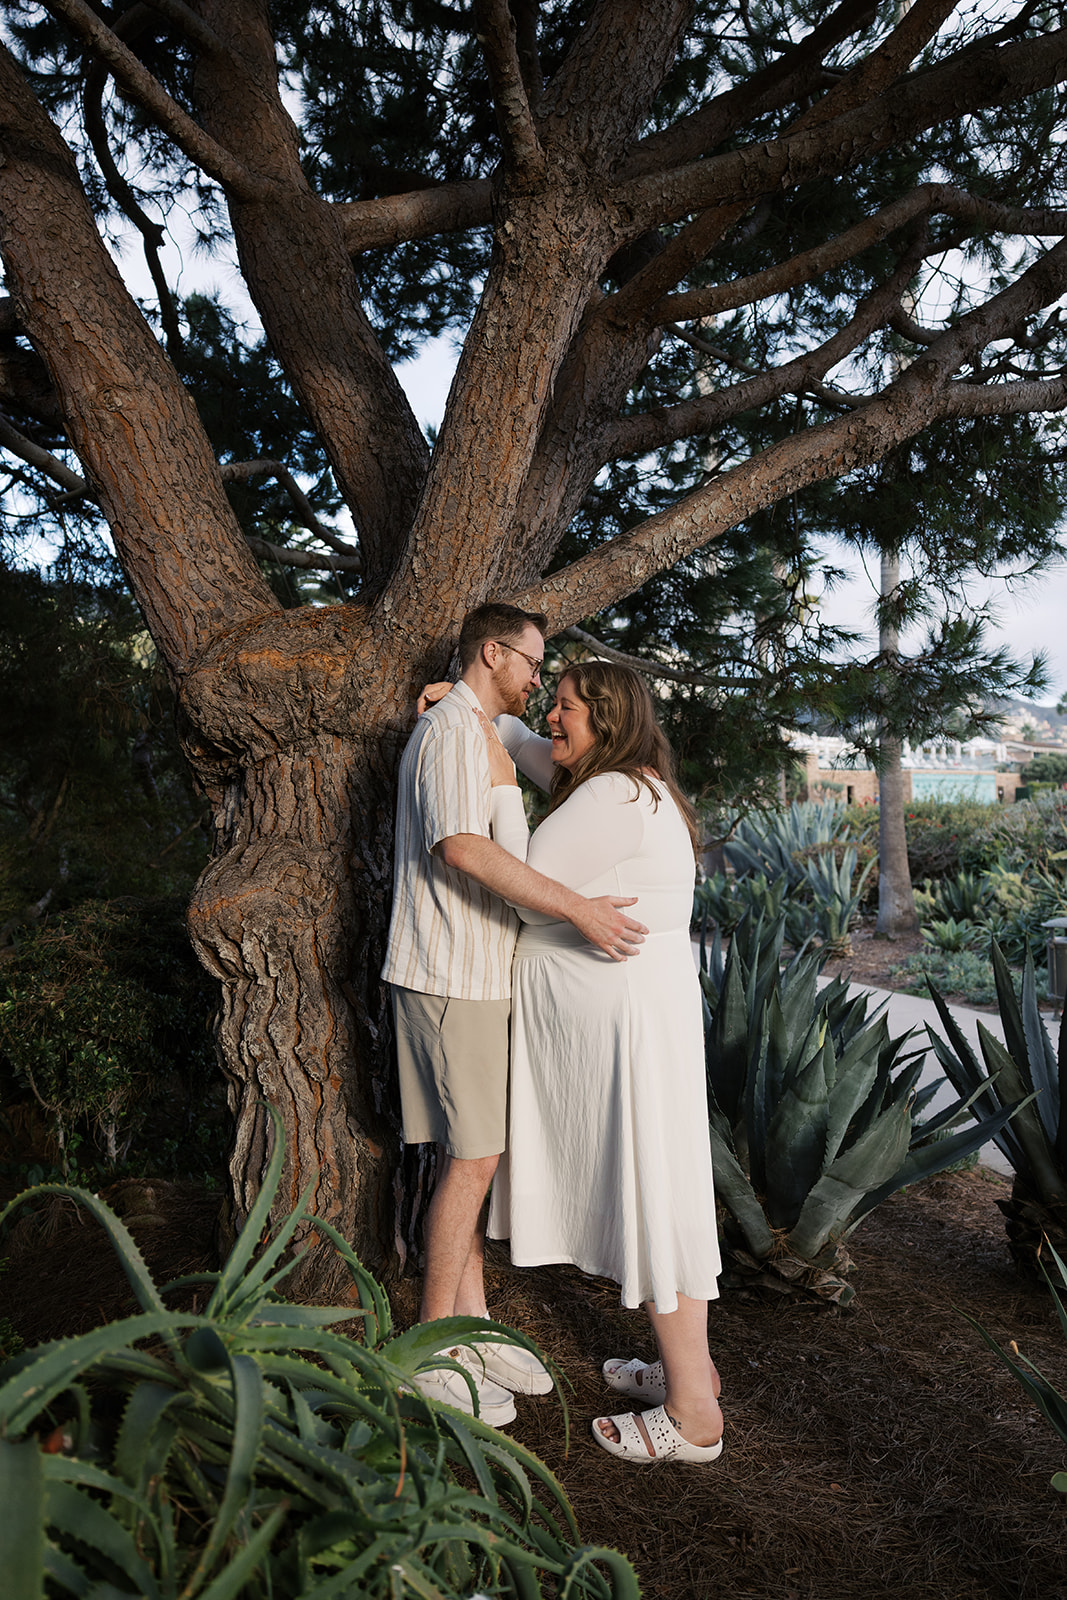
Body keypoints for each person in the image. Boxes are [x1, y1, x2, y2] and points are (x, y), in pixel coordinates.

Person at [382, 604, 648, 1427]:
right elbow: (460, 846)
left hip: (475, 975)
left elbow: (501, 753)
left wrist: (490, 711)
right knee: (472, 1164)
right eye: (532, 662)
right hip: (449, 975)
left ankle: (474, 1328)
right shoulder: (449, 736)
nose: (539, 678)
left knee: (474, 1161)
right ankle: (428, 1350)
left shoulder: (475, 727)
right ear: (492, 651)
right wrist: (579, 909)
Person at [484, 661, 725, 1464]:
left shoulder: (611, 793)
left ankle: (695, 1420)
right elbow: (537, 751)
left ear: (609, 722)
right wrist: (489, 721)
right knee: (660, 1195)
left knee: (652, 1200)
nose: (553, 718)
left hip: (624, 1033)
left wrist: (490, 786)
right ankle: (690, 1377)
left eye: (568, 709)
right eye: (550, 702)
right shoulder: (630, 786)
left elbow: (521, 884)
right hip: (636, 1022)